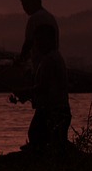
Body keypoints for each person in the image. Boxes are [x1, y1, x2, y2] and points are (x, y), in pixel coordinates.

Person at [11, 23, 71, 151]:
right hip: (57, 111)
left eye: (39, 40)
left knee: (39, 141)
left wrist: (24, 92)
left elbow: (42, 88)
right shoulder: (53, 57)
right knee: (52, 144)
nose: (36, 44)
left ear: (49, 39)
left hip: (53, 112)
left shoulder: (50, 60)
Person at [15, 0, 58, 67]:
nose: (24, 8)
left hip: (42, 65)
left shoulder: (35, 19)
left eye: (26, 4)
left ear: (34, 2)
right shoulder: (49, 17)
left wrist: (21, 59)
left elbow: (28, 43)